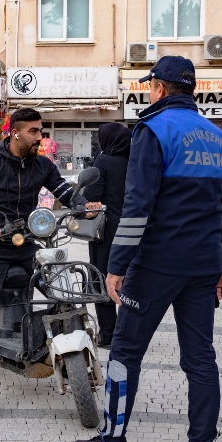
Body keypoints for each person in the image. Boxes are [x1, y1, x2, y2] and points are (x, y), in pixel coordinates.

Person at [72, 56, 222, 442]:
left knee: (126, 352)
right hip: (204, 265)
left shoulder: (152, 131)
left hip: (156, 264)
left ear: (160, 89)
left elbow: (137, 206)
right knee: (200, 359)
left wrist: (116, 266)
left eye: (151, 86)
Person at [0, 108, 101, 405]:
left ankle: (68, 351)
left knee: (61, 290)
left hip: (29, 244)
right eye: (34, 131)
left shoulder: (43, 166)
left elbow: (65, 192)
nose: (40, 137)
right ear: (16, 133)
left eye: (41, 131)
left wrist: (84, 205)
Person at [81, 122, 131, 347]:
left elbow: (93, 196)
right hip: (135, 228)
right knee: (130, 279)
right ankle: (131, 331)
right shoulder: (135, 161)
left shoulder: (103, 161)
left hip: (108, 229)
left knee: (102, 278)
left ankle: (109, 334)